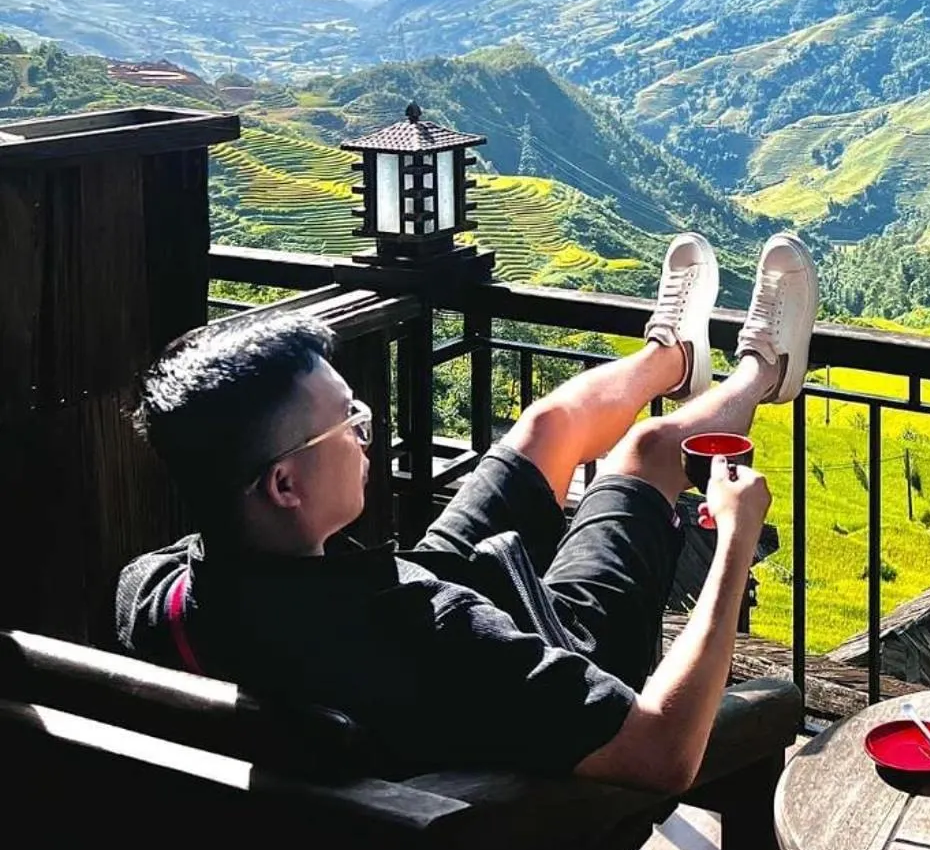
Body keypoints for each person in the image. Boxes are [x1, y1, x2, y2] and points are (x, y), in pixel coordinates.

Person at [117, 231, 817, 793]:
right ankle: (763, 369)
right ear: (284, 486)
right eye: (346, 422)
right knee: (651, 449)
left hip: (392, 615)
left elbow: (383, 619)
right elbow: (661, 752)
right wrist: (734, 536)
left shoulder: (155, 589)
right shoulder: (436, 631)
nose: (368, 431)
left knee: (545, 430)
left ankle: (673, 354)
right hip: (565, 648)